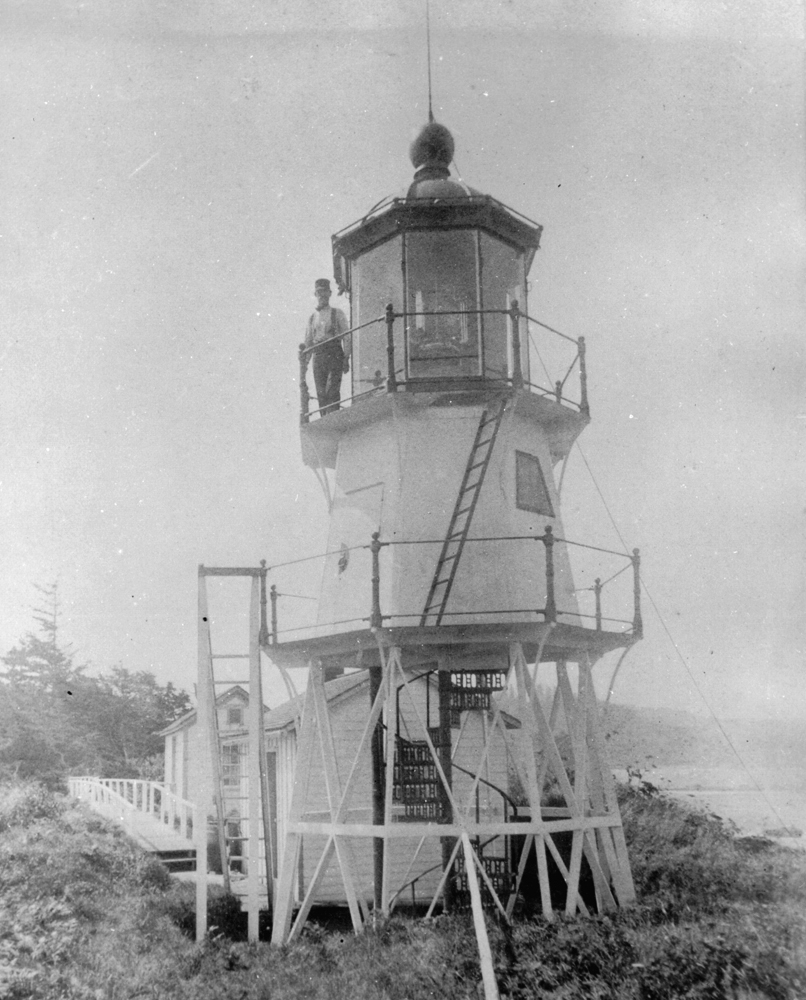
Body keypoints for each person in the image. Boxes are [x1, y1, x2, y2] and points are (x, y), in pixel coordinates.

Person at [305, 278, 350, 414]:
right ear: (316, 295)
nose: (322, 296)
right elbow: (308, 342)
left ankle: (334, 417)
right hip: (318, 357)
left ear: (330, 294)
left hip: (334, 353)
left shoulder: (337, 313)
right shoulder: (312, 318)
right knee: (321, 393)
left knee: (332, 390)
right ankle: (325, 419)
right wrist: (305, 364)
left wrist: (346, 357)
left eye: (324, 292)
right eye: (319, 293)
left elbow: (347, 336)